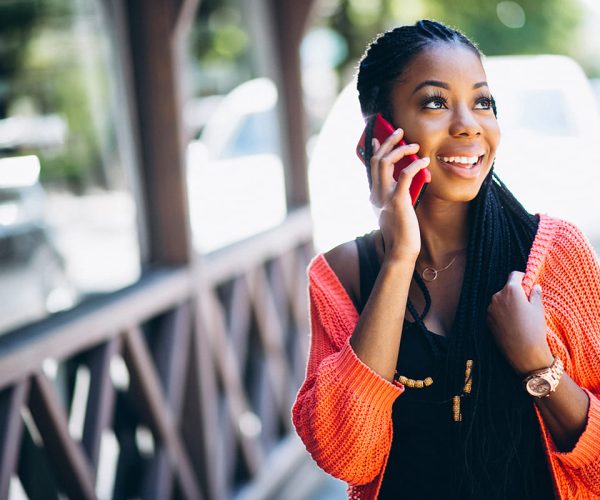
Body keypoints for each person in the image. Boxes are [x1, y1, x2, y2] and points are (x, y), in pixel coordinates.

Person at [291, 19, 600, 500]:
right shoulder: (343, 276)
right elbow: (346, 456)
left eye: (482, 102)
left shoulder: (553, 253)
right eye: (435, 101)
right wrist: (399, 259)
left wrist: (538, 366)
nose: (468, 123)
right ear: (380, 133)